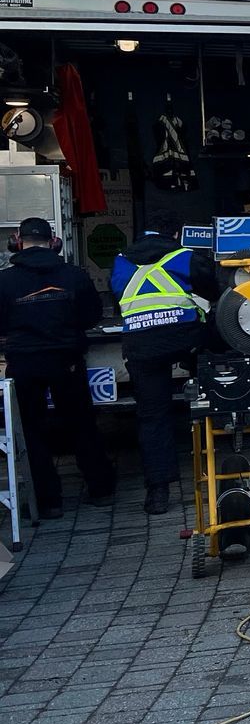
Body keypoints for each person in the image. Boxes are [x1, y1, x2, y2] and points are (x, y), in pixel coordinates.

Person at [0, 217, 114, 517]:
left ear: (17, 241)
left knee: (31, 430)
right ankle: (101, 489)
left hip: (24, 362)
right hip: (67, 360)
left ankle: (47, 501)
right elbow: (91, 316)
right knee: (81, 424)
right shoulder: (74, 275)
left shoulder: (4, 281)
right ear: (54, 242)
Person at [111, 219, 219, 516]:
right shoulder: (185, 256)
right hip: (185, 340)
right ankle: (219, 464)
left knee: (152, 417)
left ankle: (158, 493)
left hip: (142, 346)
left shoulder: (121, 262)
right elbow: (213, 292)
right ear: (175, 234)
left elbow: (118, 297)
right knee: (210, 395)